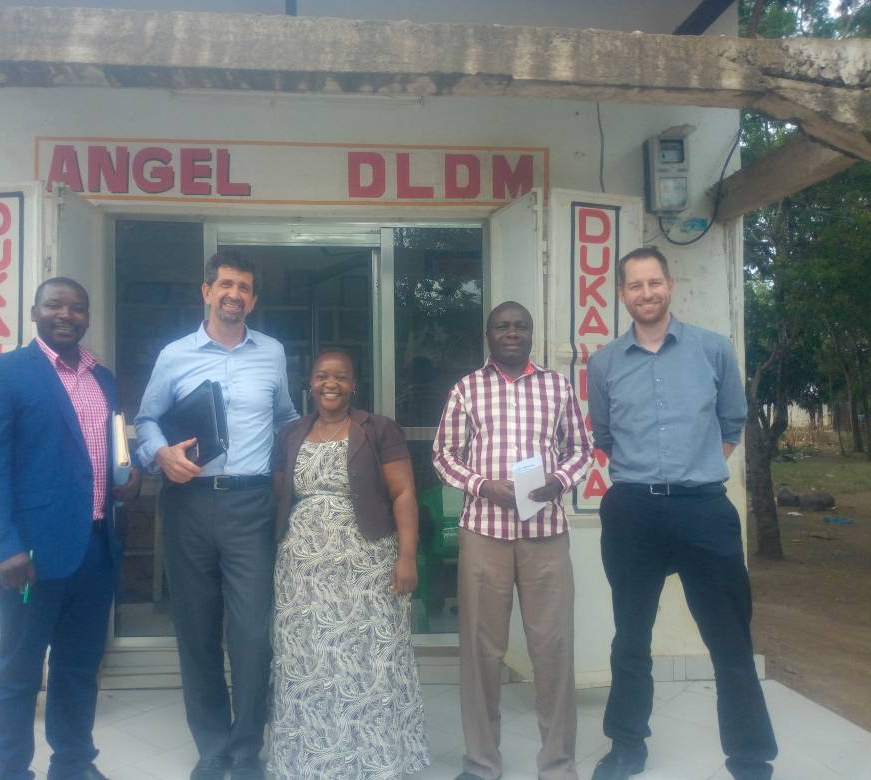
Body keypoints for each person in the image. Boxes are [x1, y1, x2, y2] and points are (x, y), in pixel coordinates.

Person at [587, 247, 777, 780]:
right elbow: (604, 435)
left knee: (730, 637)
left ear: (670, 285)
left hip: (703, 510)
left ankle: (749, 753)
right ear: (621, 294)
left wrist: (697, 471)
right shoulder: (603, 364)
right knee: (630, 634)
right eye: (634, 286)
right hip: (632, 513)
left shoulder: (713, 350)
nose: (646, 293)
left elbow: (732, 422)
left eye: (654, 283)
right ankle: (626, 745)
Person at [0, 277, 142, 780]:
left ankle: (73, 764)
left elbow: (105, 445)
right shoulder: (3, 374)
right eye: (55, 305)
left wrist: (124, 477)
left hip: (95, 547)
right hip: (29, 558)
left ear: (88, 316)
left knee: (79, 668)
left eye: (77, 307)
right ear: (35, 311)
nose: (66, 314)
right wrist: (2, 545)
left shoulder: (101, 377)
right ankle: (8, 772)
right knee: (19, 674)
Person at [134, 249, 299, 780]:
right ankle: (212, 745)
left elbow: (288, 419)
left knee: (251, 630)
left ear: (253, 298)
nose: (234, 293)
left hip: (250, 503)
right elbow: (146, 420)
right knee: (197, 628)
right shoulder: (174, 355)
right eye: (225, 284)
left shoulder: (272, 353)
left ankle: (247, 747)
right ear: (206, 291)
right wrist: (160, 454)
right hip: (187, 504)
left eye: (244, 287)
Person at [433, 301, 593, 780]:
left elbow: (581, 450)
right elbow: (444, 455)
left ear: (531, 333)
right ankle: (482, 763)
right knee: (481, 652)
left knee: (553, 648)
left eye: (520, 326)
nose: (511, 333)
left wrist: (559, 482)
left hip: (546, 534)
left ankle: (559, 764)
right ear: (489, 333)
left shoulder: (557, 386)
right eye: (502, 326)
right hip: (484, 534)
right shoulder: (467, 389)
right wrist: (483, 485)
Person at [269, 349, 431, 780]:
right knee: (308, 661)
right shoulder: (290, 433)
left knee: (370, 661)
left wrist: (407, 556)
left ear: (353, 383)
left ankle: (376, 762)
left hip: (367, 566)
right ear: (309, 382)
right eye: (322, 375)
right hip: (302, 571)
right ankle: (309, 762)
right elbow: (281, 490)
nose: (330, 384)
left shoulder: (377, 429)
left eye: (340, 376)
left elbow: (403, 494)